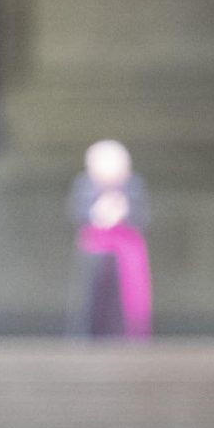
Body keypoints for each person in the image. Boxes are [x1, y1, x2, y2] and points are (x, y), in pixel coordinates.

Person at [67, 139, 151, 340]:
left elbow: (142, 213)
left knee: (126, 299)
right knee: (90, 299)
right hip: (94, 249)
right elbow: (77, 211)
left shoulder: (133, 185)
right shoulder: (84, 185)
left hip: (126, 249)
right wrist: (97, 214)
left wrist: (122, 212)